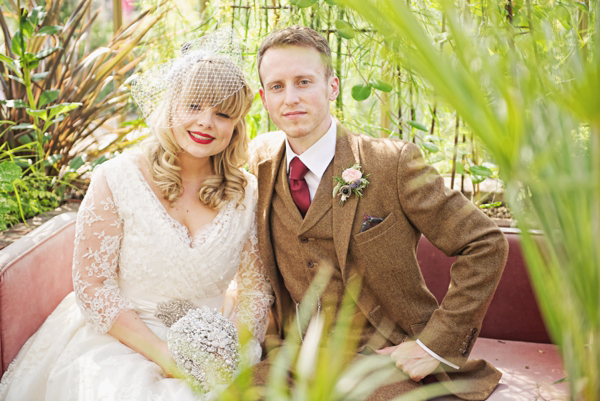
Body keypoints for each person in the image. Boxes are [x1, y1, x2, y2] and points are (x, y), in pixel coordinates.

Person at [0, 29, 273, 401]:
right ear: (172, 106)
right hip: (121, 339)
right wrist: (165, 357)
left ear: (236, 125)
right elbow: (93, 285)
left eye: (222, 113)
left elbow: (255, 289)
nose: (207, 122)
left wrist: (232, 347)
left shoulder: (247, 192)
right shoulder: (117, 178)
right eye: (194, 106)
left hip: (215, 346)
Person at [248, 26, 509, 400]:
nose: (290, 98)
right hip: (294, 361)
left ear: (332, 86)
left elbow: (485, 244)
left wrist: (432, 347)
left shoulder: (391, 164)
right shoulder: (258, 163)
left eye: (304, 82)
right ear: (264, 98)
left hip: (384, 360)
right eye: (277, 86)